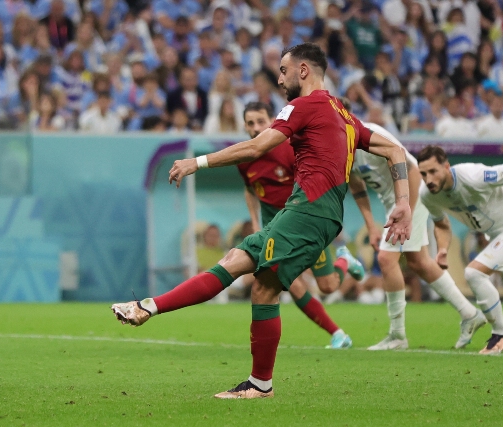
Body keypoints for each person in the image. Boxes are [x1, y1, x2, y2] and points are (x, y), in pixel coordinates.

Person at [112, 43, 412, 398]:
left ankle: (259, 384)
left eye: (284, 71)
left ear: (303, 70)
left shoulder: (304, 105)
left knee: (263, 286)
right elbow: (395, 149)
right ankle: (149, 307)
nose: (280, 79)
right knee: (238, 263)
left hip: (309, 211)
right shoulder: (343, 113)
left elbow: (256, 147)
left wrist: (198, 162)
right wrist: (403, 201)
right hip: (318, 214)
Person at [343, 101, 485, 351]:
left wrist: (406, 209)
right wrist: (372, 227)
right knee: (419, 262)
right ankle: (469, 313)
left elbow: (412, 169)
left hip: (411, 194)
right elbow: (357, 187)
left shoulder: (372, 134)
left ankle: (397, 336)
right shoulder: (339, 148)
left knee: (386, 260)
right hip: (394, 204)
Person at [235, 101, 364, 349]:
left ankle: (344, 260)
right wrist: (254, 222)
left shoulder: (289, 149)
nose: (255, 128)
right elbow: (249, 190)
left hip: (304, 223)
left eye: (261, 121)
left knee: (327, 286)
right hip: (274, 228)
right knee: (290, 284)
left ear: (272, 120)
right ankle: (338, 334)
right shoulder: (245, 157)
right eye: (250, 123)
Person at [418, 146, 503, 355]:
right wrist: (442, 249)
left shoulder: (473, 175)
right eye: (423, 174)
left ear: (447, 167)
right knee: (476, 273)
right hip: (497, 234)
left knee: (474, 273)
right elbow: (441, 224)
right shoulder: (428, 195)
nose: (428, 179)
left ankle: (500, 335)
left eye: (433, 171)